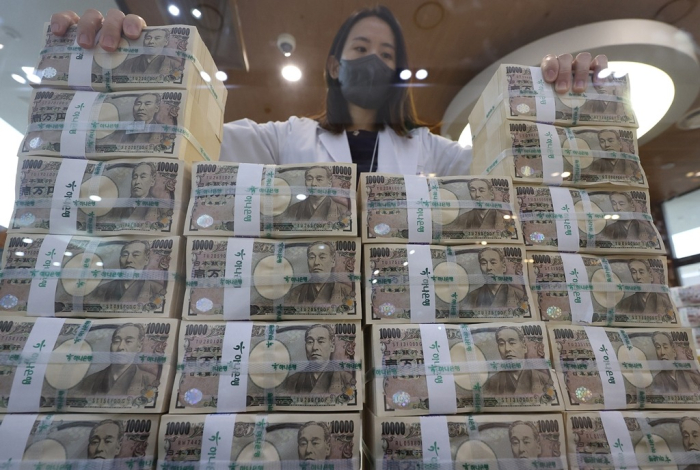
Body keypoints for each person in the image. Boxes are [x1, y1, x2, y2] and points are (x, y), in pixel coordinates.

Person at [49, 8, 606, 176]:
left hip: (405, 332)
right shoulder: (283, 140)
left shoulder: (431, 152)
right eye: (362, 49)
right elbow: (186, 140)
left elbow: (517, 168)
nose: (375, 62)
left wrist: (562, 98)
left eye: (388, 56)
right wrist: (123, 69)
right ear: (336, 66)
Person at [76, 323, 157, 396]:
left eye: (128, 341)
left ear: (139, 347)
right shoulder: (89, 381)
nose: (121, 347)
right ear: (111, 345)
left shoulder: (150, 380)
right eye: (116, 341)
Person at [482, 326, 553, 395]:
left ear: (524, 347)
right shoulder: (491, 383)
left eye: (512, 343)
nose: (507, 349)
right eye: (501, 344)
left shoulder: (545, 379)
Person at [282, 324, 352, 394]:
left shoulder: (347, 379)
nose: (315, 347)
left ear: (332, 347)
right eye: (310, 342)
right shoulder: (291, 381)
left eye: (321, 341)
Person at [90, 240, 164, 304]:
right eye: (125, 255)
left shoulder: (157, 289)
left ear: (146, 260)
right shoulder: (101, 290)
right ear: (119, 259)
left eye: (136, 255)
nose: (129, 260)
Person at [285, 241, 352, 306]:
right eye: (312, 257)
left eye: (322, 257)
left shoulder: (347, 292)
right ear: (307, 261)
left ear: (333, 261)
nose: (316, 262)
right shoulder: (294, 293)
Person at [283, 166, 349, 221]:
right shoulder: (293, 209)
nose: (313, 184)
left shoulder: (343, 210)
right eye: (309, 179)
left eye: (319, 179)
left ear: (329, 183)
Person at [117, 28, 183, 76]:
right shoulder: (127, 63)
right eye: (148, 38)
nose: (151, 42)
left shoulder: (175, 65)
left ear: (165, 42)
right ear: (144, 41)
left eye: (157, 38)